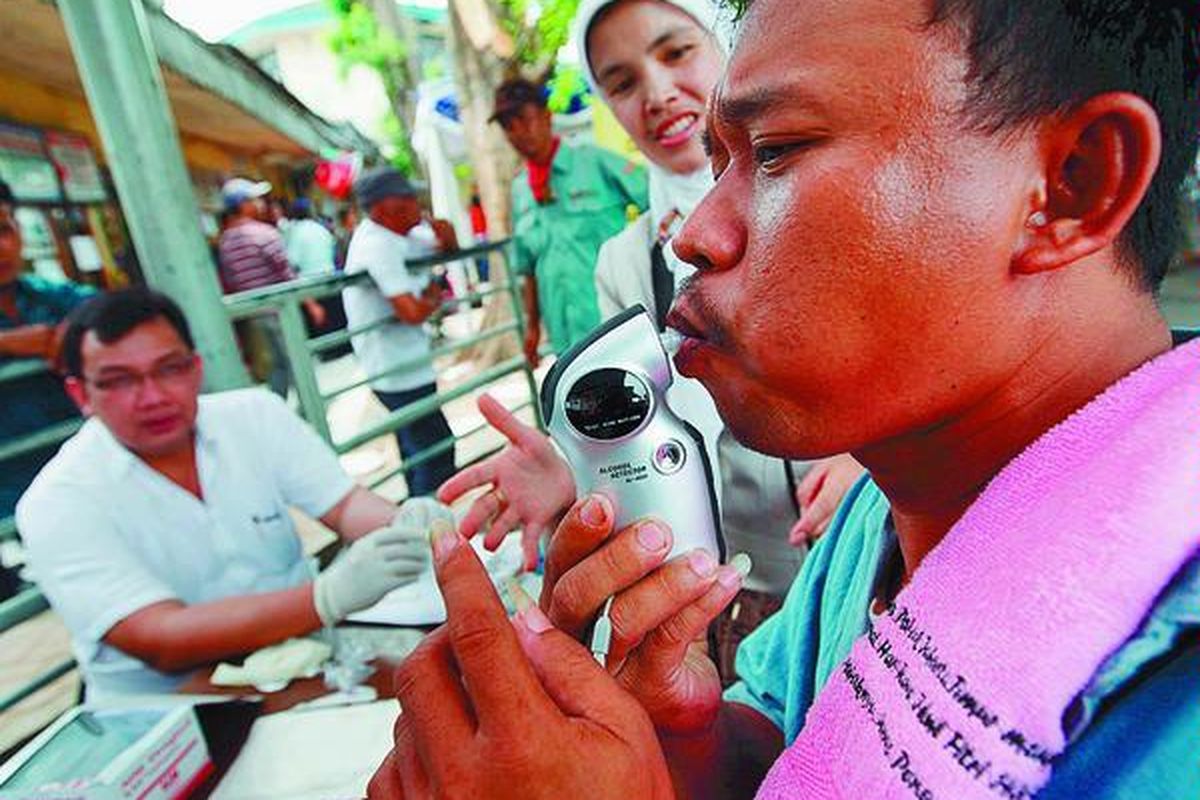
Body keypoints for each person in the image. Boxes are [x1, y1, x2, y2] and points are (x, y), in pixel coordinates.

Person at [369, 0, 1200, 797]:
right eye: (719, 160)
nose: (695, 235)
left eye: (776, 149)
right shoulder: (879, 511)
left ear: (1073, 181)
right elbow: (797, 735)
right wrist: (688, 743)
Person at [440, 0, 863, 683]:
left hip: (853, 567)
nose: (658, 94)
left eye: (675, 53)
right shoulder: (627, 262)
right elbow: (645, 417)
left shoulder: (829, 198)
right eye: (623, 82)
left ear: (730, 43)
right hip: (718, 592)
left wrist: (867, 468)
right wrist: (577, 465)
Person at [17, 288, 449, 701]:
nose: (151, 397)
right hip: (172, 703)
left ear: (195, 368)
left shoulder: (254, 416)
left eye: (169, 369)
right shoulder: (57, 502)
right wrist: (327, 596)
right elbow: (161, 639)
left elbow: (345, 504)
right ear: (81, 394)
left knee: (446, 690)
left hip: (302, 656)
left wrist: (409, 526)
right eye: (118, 381)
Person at [492, 76, 649, 364]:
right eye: (508, 126)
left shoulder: (594, 161)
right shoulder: (520, 190)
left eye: (524, 119)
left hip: (618, 322)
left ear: (546, 116)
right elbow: (528, 268)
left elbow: (656, 201)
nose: (519, 133)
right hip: (565, 337)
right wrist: (532, 329)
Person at [0, 179, 96, 601]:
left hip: (81, 465)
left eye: (4, 230)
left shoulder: (48, 296)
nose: (0, 248)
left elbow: (111, 309)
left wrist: (72, 333)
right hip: (11, 495)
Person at [342, 167, 458, 497]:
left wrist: (446, 235)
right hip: (396, 371)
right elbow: (410, 312)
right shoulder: (376, 245)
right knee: (435, 453)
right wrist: (433, 297)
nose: (416, 205)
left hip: (404, 366)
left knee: (417, 451)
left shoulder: (399, 235)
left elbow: (444, 245)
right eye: (407, 199)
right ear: (383, 208)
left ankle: (421, 524)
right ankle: (430, 529)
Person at [216, 177, 324, 396]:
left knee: (276, 367)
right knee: (298, 361)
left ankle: (281, 411)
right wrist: (312, 305)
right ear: (243, 205)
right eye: (255, 200)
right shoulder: (264, 233)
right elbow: (287, 274)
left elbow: (230, 281)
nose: (261, 204)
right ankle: (311, 408)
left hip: (253, 317)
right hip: (280, 312)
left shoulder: (225, 242)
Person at [282, 197, 337, 278]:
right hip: (330, 277)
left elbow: (292, 262)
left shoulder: (295, 232)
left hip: (309, 283)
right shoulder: (322, 229)